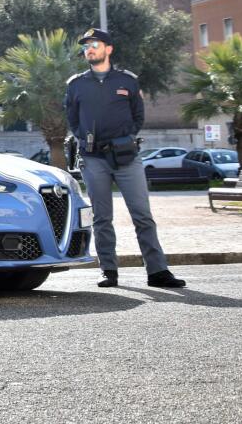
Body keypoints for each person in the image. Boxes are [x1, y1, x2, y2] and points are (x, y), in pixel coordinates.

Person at [64, 28, 185, 289]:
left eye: (94, 44)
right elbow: (72, 120)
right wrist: (85, 138)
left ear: (109, 48)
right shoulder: (76, 84)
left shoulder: (128, 81)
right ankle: (108, 270)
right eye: (86, 46)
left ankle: (157, 272)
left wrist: (124, 139)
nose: (89, 49)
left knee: (142, 215)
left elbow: (138, 116)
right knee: (102, 217)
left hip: (126, 157)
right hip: (93, 158)